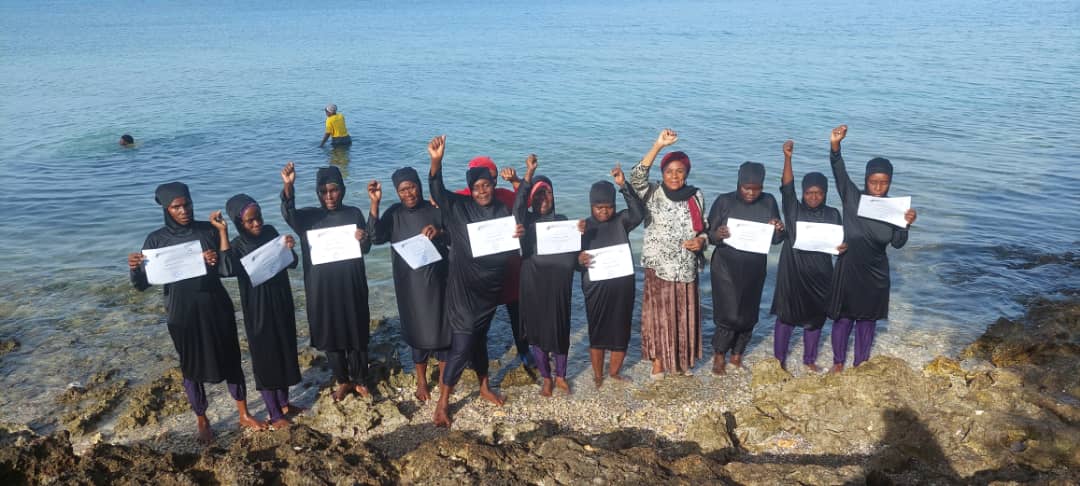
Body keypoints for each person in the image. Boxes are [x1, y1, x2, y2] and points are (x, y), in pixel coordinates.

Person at [128, 182, 264, 444]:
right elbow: (141, 285)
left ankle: (243, 413)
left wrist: (214, 259)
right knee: (191, 367)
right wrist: (135, 268)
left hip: (215, 306)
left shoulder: (207, 230)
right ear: (166, 209)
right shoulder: (155, 240)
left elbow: (225, 269)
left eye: (187, 204)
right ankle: (202, 419)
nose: (184, 211)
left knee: (231, 358)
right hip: (181, 313)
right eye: (176, 207)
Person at [427, 135, 523, 427]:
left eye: (486, 185)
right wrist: (436, 161)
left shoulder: (502, 210)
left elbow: (519, 223)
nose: (482, 191)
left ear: (493, 185)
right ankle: (443, 402)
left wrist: (519, 233)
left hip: (490, 291)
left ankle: (484, 387)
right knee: (462, 346)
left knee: (480, 340)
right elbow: (437, 189)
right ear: (470, 189)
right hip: (464, 291)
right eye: (477, 187)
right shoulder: (459, 207)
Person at [827, 125, 917, 372]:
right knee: (843, 319)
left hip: (876, 273)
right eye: (873, 181)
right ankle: (838, 363)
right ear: (866, 180)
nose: (878, 187)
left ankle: (860, 365)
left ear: (890, 183)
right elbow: (839, 172)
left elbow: (897, 243)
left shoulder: (895, 209)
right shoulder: (852, 198)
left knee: (867, 322)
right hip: (848, 268)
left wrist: (906, 225)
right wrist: (835, 146)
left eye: (884, 182)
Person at [280, 162, 373, 400]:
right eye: (323, 192)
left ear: (342, 190)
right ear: (317, 193)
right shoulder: (307, 218)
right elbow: (288, 212)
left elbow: (366, 248)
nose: (329, 196)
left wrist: (362, 238)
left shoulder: (353, 213)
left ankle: (360, 379)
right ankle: (342, 380)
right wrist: (288, 186)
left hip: (351, 284)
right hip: (321, 288)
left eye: (334, 190)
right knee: (331, 334)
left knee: (356, 330)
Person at [368, 167, 451, 402]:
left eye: (412, 187)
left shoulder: (434, 209)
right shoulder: (394, 213)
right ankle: (422, 380)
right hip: (409, 284)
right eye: (403, 190)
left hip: (438, 280)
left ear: (419, 186)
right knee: (416, 330)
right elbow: (375, 237)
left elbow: (454, 236)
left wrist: (439, 232)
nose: (408, 193)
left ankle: (444, 379)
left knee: (443, 328)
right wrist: (375, 203)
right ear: (397, 192)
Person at [629, 129, 707, 378]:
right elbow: (635, 177)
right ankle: (659, 361)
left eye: (679, 171)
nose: (674, 176)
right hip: (659, 267)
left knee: (683, 315)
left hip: (686, 267)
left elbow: (703, 228)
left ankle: (682, 361)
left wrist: (701, 241)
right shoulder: (652, 193)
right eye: (669, 171)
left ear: (686, 173)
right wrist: (658, 145)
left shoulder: (696, 195)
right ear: (662, 173)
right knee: (660, 317)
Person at [222, 194, 304, 429]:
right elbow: (226, 269)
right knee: (266, 358)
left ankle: (284, 403)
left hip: (281, 300)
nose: (257, 223)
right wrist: (223, 233)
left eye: (258, 217)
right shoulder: (237, 246)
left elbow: (292, 262)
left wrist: (290, 247)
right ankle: (274, 413)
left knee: (285, 350)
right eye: (250, 221)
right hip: (257, 308)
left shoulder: (270, 232)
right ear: (239, 223)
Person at [770, 141, 844, 372]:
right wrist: (788, 158)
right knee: (786, 317)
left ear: (825, 193)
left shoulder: (833, 214)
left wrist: (842, 247)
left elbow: (840, 242)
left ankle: (809, 359)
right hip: (792, 271)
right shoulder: (794, 209)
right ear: (803, 193)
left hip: (821, 274)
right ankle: (779, 361)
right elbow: (787, 187)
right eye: (809, 192)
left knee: (816, 318)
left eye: (818, 193)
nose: (813, 196)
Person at [707, 160, 785, 375]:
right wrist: (718, 234)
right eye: (746, 188)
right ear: (739, 183)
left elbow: (776, 240)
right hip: (725, 267)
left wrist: (779, 229)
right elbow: (709, 236)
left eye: (756, 188)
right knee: (728, 312)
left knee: (748, 312)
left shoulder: (768, 201)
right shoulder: (724, 201)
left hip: (754, 268)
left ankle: (737, 355)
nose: (751, 193)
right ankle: (719, 355)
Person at [455, 157, 532, 371]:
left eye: (493, 178)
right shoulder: (463, 197)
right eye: (485, 179)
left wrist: (516, 180)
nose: (491, 183)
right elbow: (444, 205)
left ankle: (524, 350)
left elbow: (525, 202)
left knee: (518, 313)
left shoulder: (504, 195)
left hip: (510, 266)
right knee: (480, 319)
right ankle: (475, 355)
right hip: (482, 272)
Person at [514, 156, 578, 396]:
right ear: (531, 198)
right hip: (532, 285)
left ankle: (561, 375)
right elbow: (518, 207)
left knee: (560, 331)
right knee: (537, 334)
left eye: (547, 193)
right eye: (538, 194)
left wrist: (581, 240)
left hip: (559, 287)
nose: (543, 198)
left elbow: (575, 256)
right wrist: (528, 175)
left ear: (554, 196)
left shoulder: (564, 222)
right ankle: (546, 378)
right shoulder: (525, 222)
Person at [578, 164, 645, 386]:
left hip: (622, 286)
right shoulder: (583, 227)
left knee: (621, 330)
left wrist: (623, 185)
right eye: (599, 207)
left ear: (614, 207)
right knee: (597, 332)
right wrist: (579, 260)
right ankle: (598, 375)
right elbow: (572, 262)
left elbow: (639, 212)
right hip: (595, 288)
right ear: (591, 206)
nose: (604, 211)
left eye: (608, 207)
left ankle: (614, 372)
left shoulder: (621, 221)